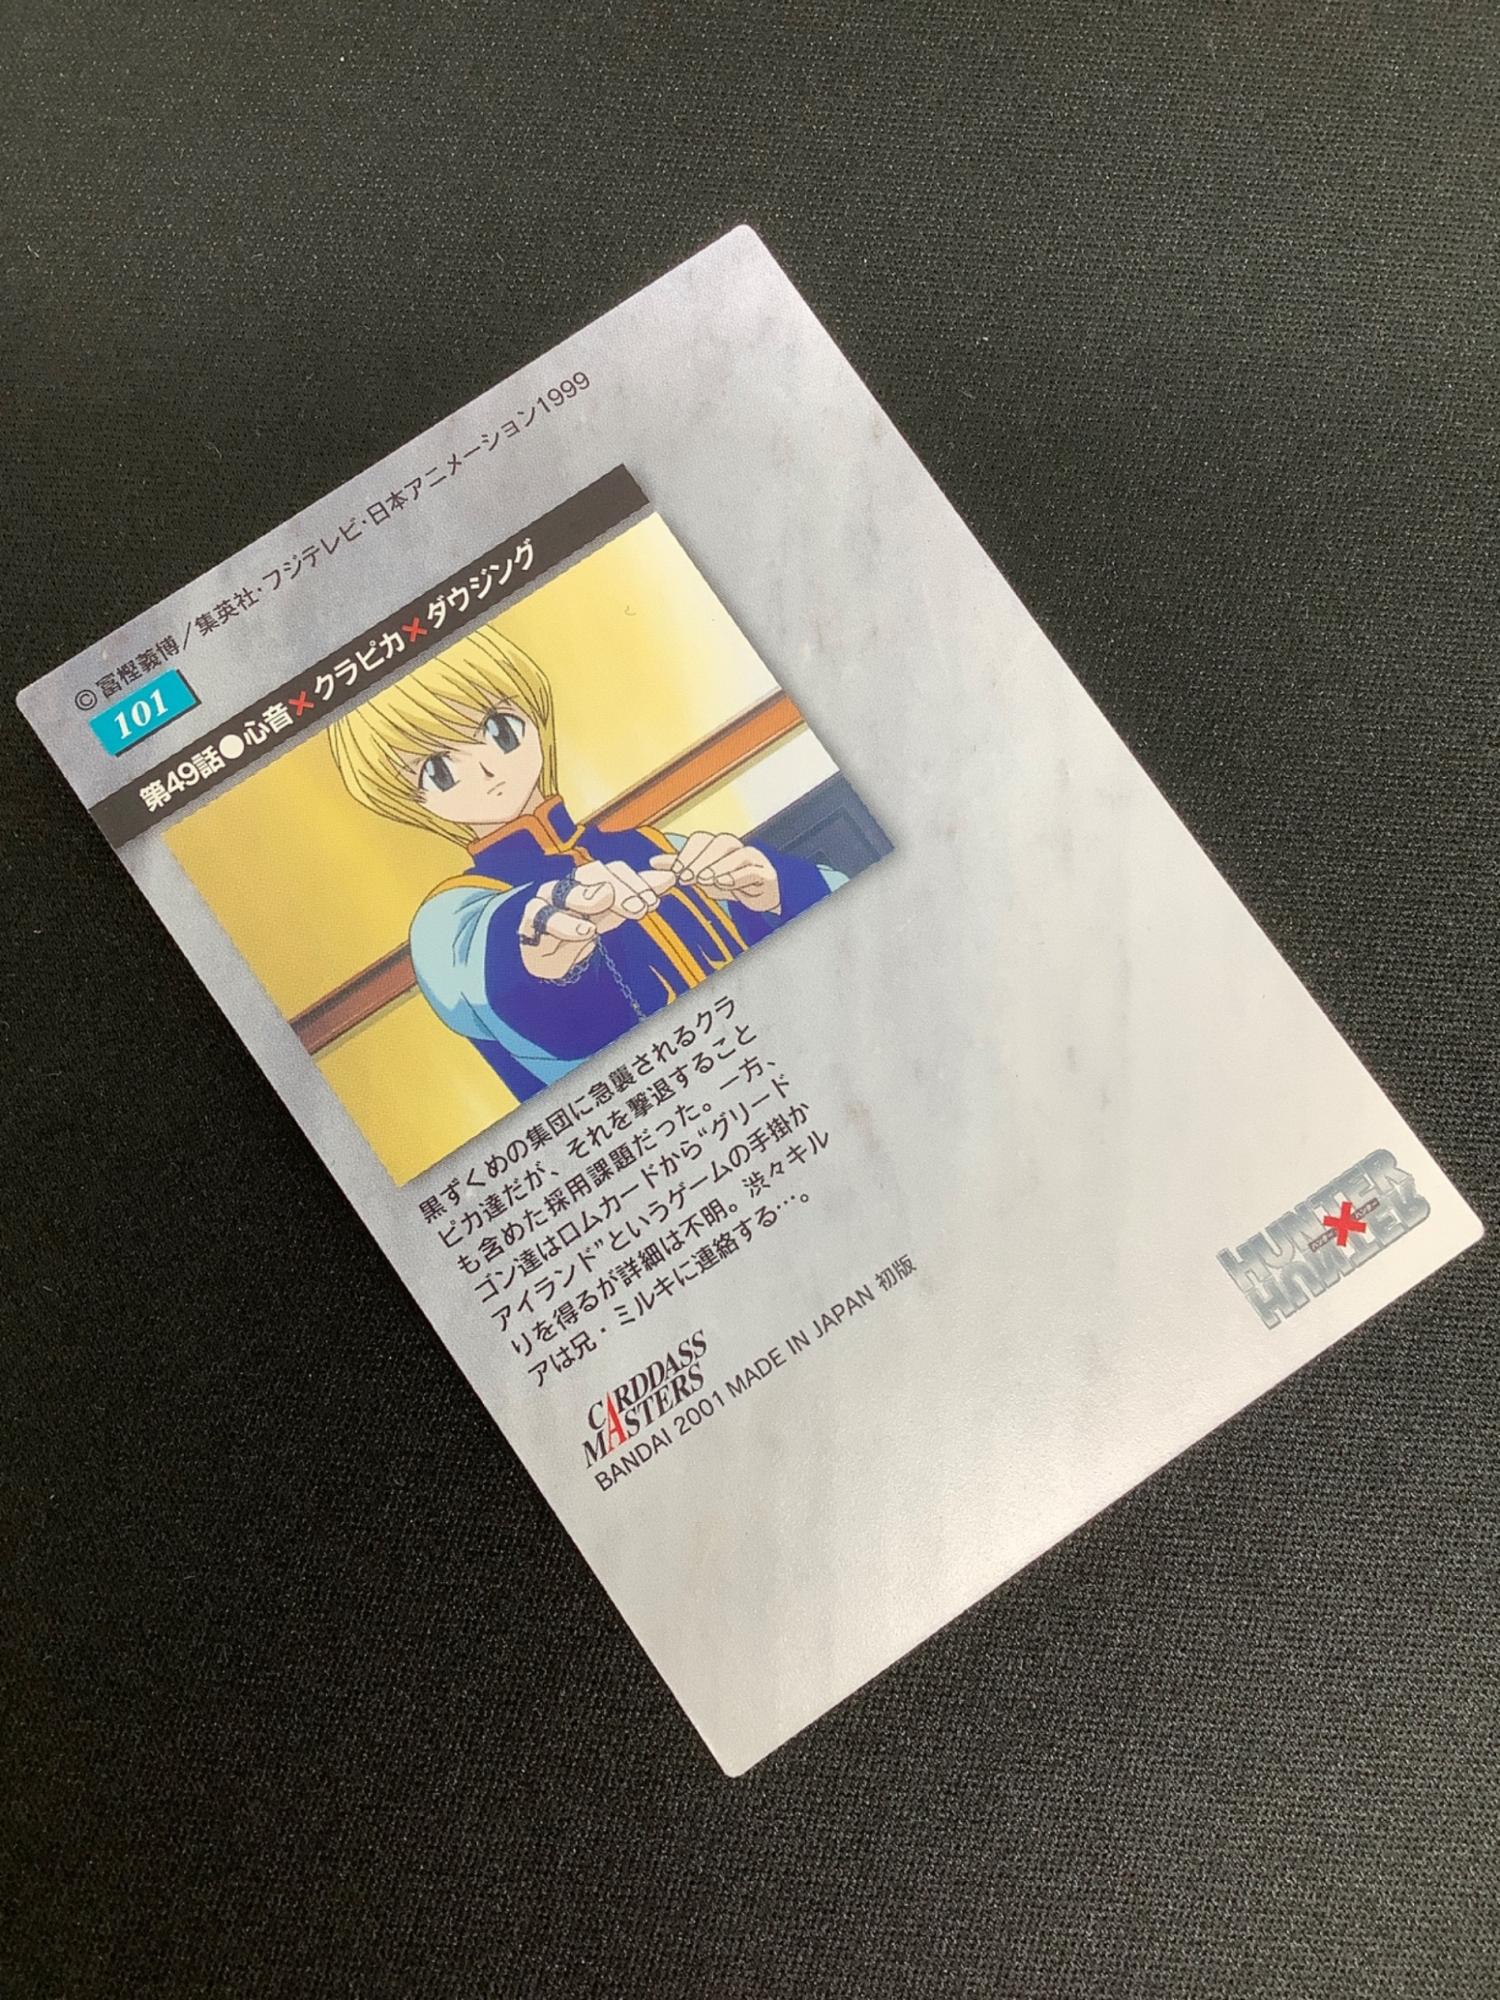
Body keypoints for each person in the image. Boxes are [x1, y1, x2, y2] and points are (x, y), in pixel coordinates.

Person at [327, 626, 845, 1102]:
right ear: (407, 801)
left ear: (534, 718)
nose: (486, 768)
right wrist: (540, 951)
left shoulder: (650, 845)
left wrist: (772, 890)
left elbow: (835, 900)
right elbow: (477, 970)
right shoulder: (447, 919)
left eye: (500, 730)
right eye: (439, 770)